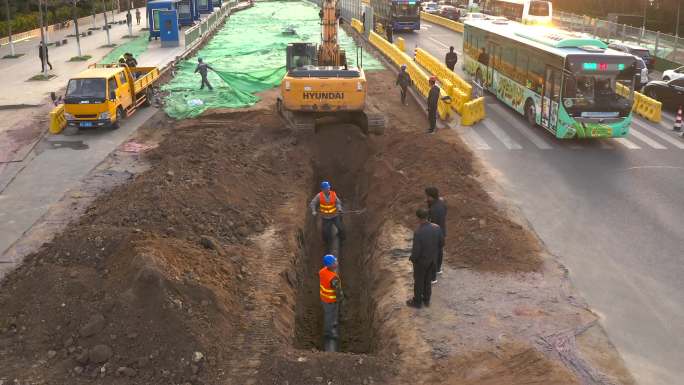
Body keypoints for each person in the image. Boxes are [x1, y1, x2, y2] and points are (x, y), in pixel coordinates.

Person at [407, 208, 443, 308]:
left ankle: (417, 302)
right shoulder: (437, 228)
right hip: (432, 260)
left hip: (421, 262)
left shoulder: (418, 232)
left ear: (418, 218)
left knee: (419, 281)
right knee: (428, 280)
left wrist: (413, 259)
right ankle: (427, 300)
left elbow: (416, 251)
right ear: (428, 217)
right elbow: (441, 244)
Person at [309, 181, 345, 254]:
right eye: (326, 188)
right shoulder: (319, 196)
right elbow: (312, 203)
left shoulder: (333, 194)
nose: (328, 189)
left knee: (340, 228)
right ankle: (326, 242)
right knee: (325, 232)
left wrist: (339, 209)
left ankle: (342, 240)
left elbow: (338, 202)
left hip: (335, 216)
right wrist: (313, 211)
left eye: (328, 188)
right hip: (326, 217)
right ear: (323, 189)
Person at [425, 187, 447, 282]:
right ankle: (438, 269)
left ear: (430, 197)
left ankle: (432, 278)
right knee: (439, 251)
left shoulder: (434, 209)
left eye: (427, 196)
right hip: (442, 231)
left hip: (434, 233)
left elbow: (431, 222)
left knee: (433, 254)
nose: (426, 198)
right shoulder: (442, 203)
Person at [319, 254, 343, 340]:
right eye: (335, 262)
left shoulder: (322, 271)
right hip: (330, 300)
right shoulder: (334, 278)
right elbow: (338, 291)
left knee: (332, 313)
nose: (337, 262)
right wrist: (341, 299)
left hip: (323, 298)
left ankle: (333, 322)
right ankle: (328, 333)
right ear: (331, 265)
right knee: (329, 316)